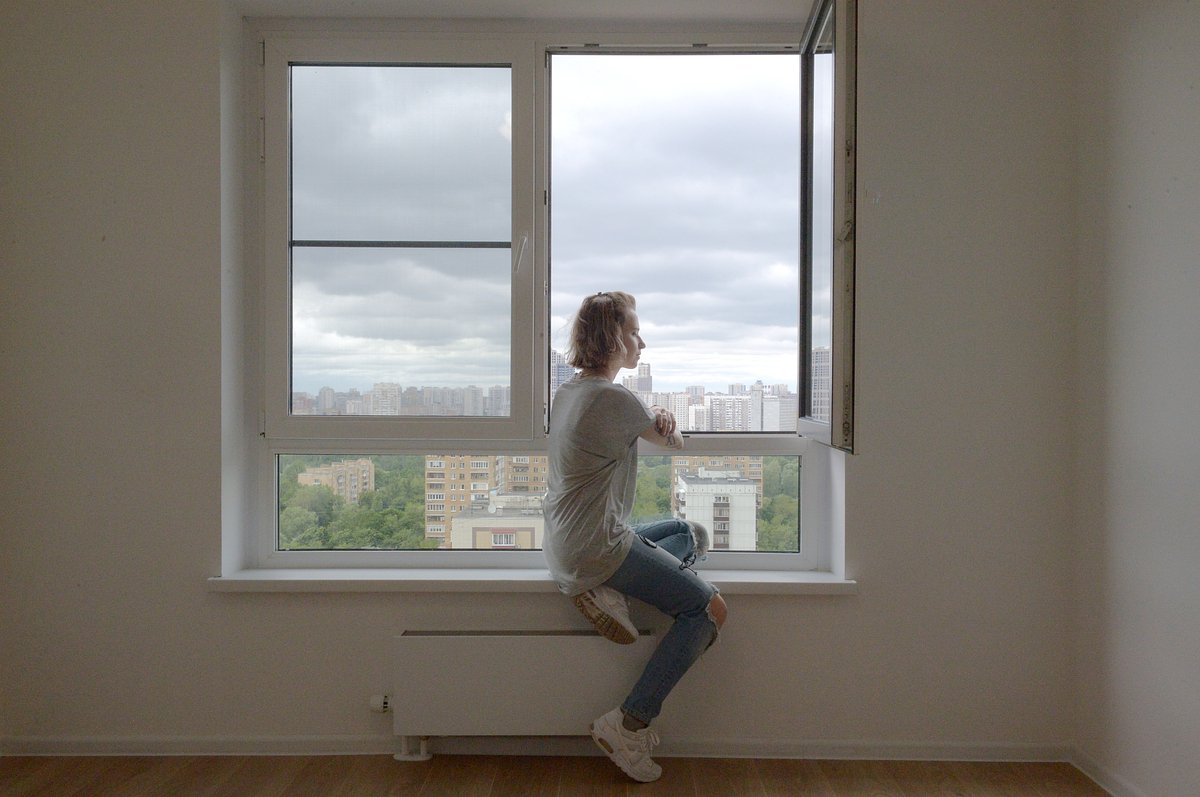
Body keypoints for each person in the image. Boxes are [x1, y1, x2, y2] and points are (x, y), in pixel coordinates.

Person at [543, 291, 728, 783]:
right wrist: (663, 418)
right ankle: (628, 725)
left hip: (566, 540)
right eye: (634, 332)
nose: (641, 343)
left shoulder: (569, 392)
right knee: (708, 609)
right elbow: (675, 443)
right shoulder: (614, 398)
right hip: (596, 545)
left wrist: (654, 414)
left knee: (688, 533)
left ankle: (606, 588)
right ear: (613, 338)